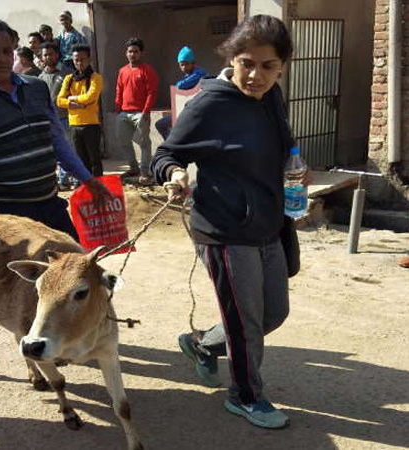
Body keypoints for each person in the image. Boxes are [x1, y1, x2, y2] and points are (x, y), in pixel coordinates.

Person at [151, 15, 312, 430]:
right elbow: (164, 154)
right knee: (246, 326)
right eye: (247, 63)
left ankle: (202, 344)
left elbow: (282, 142)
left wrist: (296, 165)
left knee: (272, 314)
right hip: (223, 229)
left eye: (268, 66)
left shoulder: (272, 98)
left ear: (282, 67)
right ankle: (245, 395)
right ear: (231, 59)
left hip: (269, 223)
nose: (256, 75)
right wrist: (174, 174)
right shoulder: (209, 104)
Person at [0, 18, 111, 241]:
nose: (2, 59)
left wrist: (87, 179)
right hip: (8, 220)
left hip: (51, 207)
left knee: (75, 269)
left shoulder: (37, 88)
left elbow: (56, 141)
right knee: (24, 275)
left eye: (7, 51)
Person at [115, 37, 159, 181]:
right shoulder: (122, 71)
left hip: (140, 113)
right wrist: (118, 108)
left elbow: (152, 92)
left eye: (135, 51)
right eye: (130, 51)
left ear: (141, 53)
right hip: (124, 113)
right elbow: (119, 90)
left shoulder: (147, 70)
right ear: (126, 53)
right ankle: (133, 168)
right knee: (124, 141)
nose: (132, 54)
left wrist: (146, 111)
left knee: (144, 143)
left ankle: (145, 172)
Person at [57, 44, 104, 178]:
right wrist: (77, 103)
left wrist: (71, 99)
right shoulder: (69, 79)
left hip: (91, 125)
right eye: (76, 60)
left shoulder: (96, 78)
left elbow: (91, 97)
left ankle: (99, 188)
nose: (79, 63)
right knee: (81, 161)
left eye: (82, 59)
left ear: (89, 59)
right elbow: (59, 100)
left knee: (95, 160)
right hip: (74, 125)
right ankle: (86, 189)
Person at [38, 41, 73, 189]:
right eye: (45, 55)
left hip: (65, 118)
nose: (48, 57)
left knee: (68, 149)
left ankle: (67, 179)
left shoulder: (67, 73)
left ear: (57, 55)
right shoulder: (40, 77)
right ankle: (61, 181)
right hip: (47, 120)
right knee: (53, 152)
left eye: (50, 54)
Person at [155, 46, 209, 140]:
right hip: (186, 110)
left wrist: (179, 84)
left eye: (186, 64)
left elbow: (180, 86)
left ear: (193, 63)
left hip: (198, 111)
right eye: (181, 65)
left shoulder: (199, 73)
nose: (184, 67)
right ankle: (174, 145)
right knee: (161, 124)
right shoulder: (189, 75)